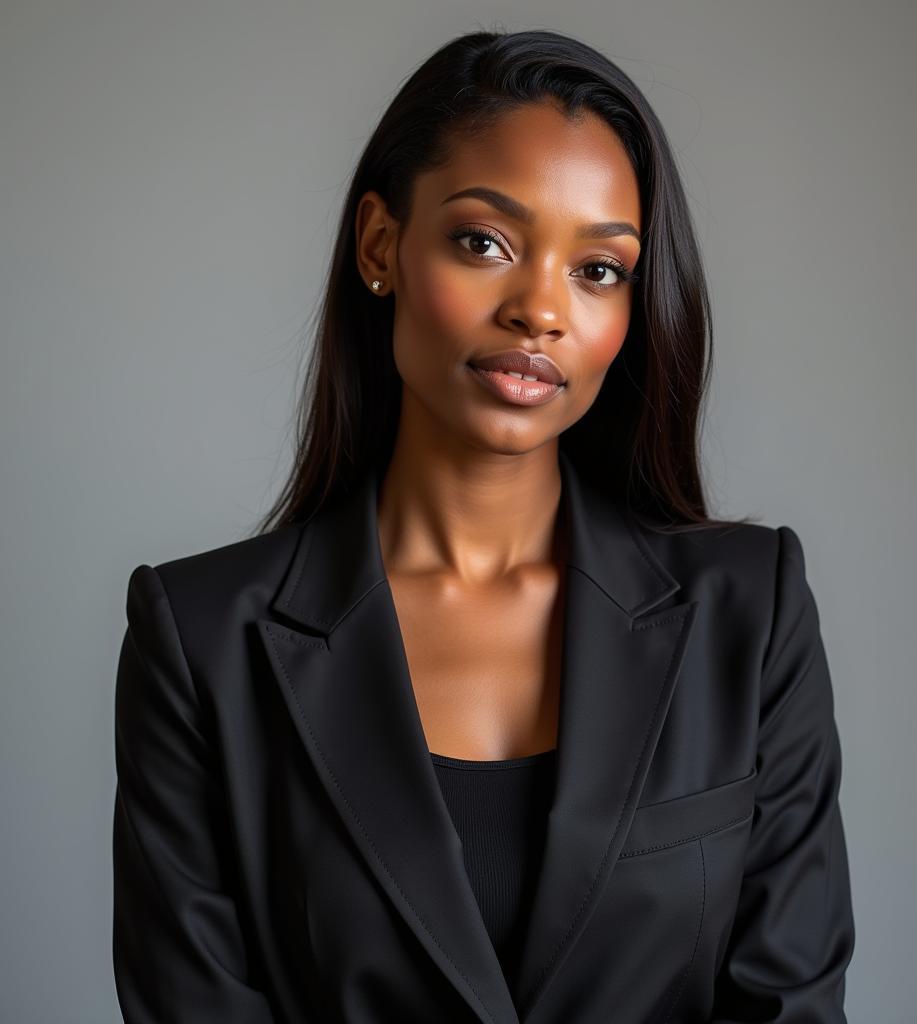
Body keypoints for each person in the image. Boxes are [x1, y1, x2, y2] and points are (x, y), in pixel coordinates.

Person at [112, 27, 855, 1024]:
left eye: (598, 270)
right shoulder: (202, 640)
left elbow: (790, 1001)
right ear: (382, 246)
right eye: (485, 242)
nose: (540, 310)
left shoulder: (747, 612)